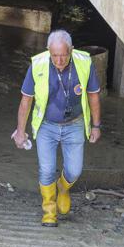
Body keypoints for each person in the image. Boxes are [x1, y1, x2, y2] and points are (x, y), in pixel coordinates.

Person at [14, 30, 102, 227]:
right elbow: (26, 101)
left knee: (74, 171)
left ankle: (62, 189)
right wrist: (20, 131)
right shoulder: (37, 65)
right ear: (48, 51)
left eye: (63, 54)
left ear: (71, 50)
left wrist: (96, 126)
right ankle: (49, 211)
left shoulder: (84, 62)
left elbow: (93, 96)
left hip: (75, 125)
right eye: (55, 55)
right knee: (46, 171)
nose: (59, 60)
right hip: (47, 126)